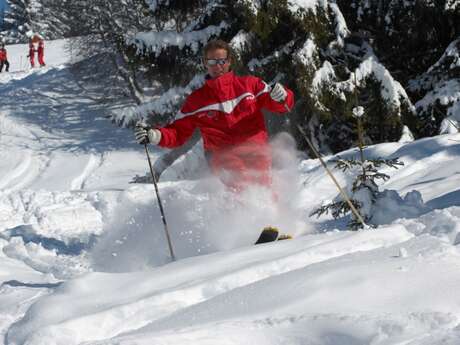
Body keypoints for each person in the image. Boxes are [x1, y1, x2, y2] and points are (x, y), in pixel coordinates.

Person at [135, 39, 294, 191]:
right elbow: (177, 132)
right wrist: (155, 135)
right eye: (212, 62)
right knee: (241, 187)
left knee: (263, 190)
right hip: (223, 156)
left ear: (229, 61)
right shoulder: (197, 100)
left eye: (222, 61)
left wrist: (282, 96)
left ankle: (271, 217)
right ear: (205, 63)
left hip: (256, 151)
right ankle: (242, 216)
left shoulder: (250, 85)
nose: (218, 66)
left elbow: (280, 104)